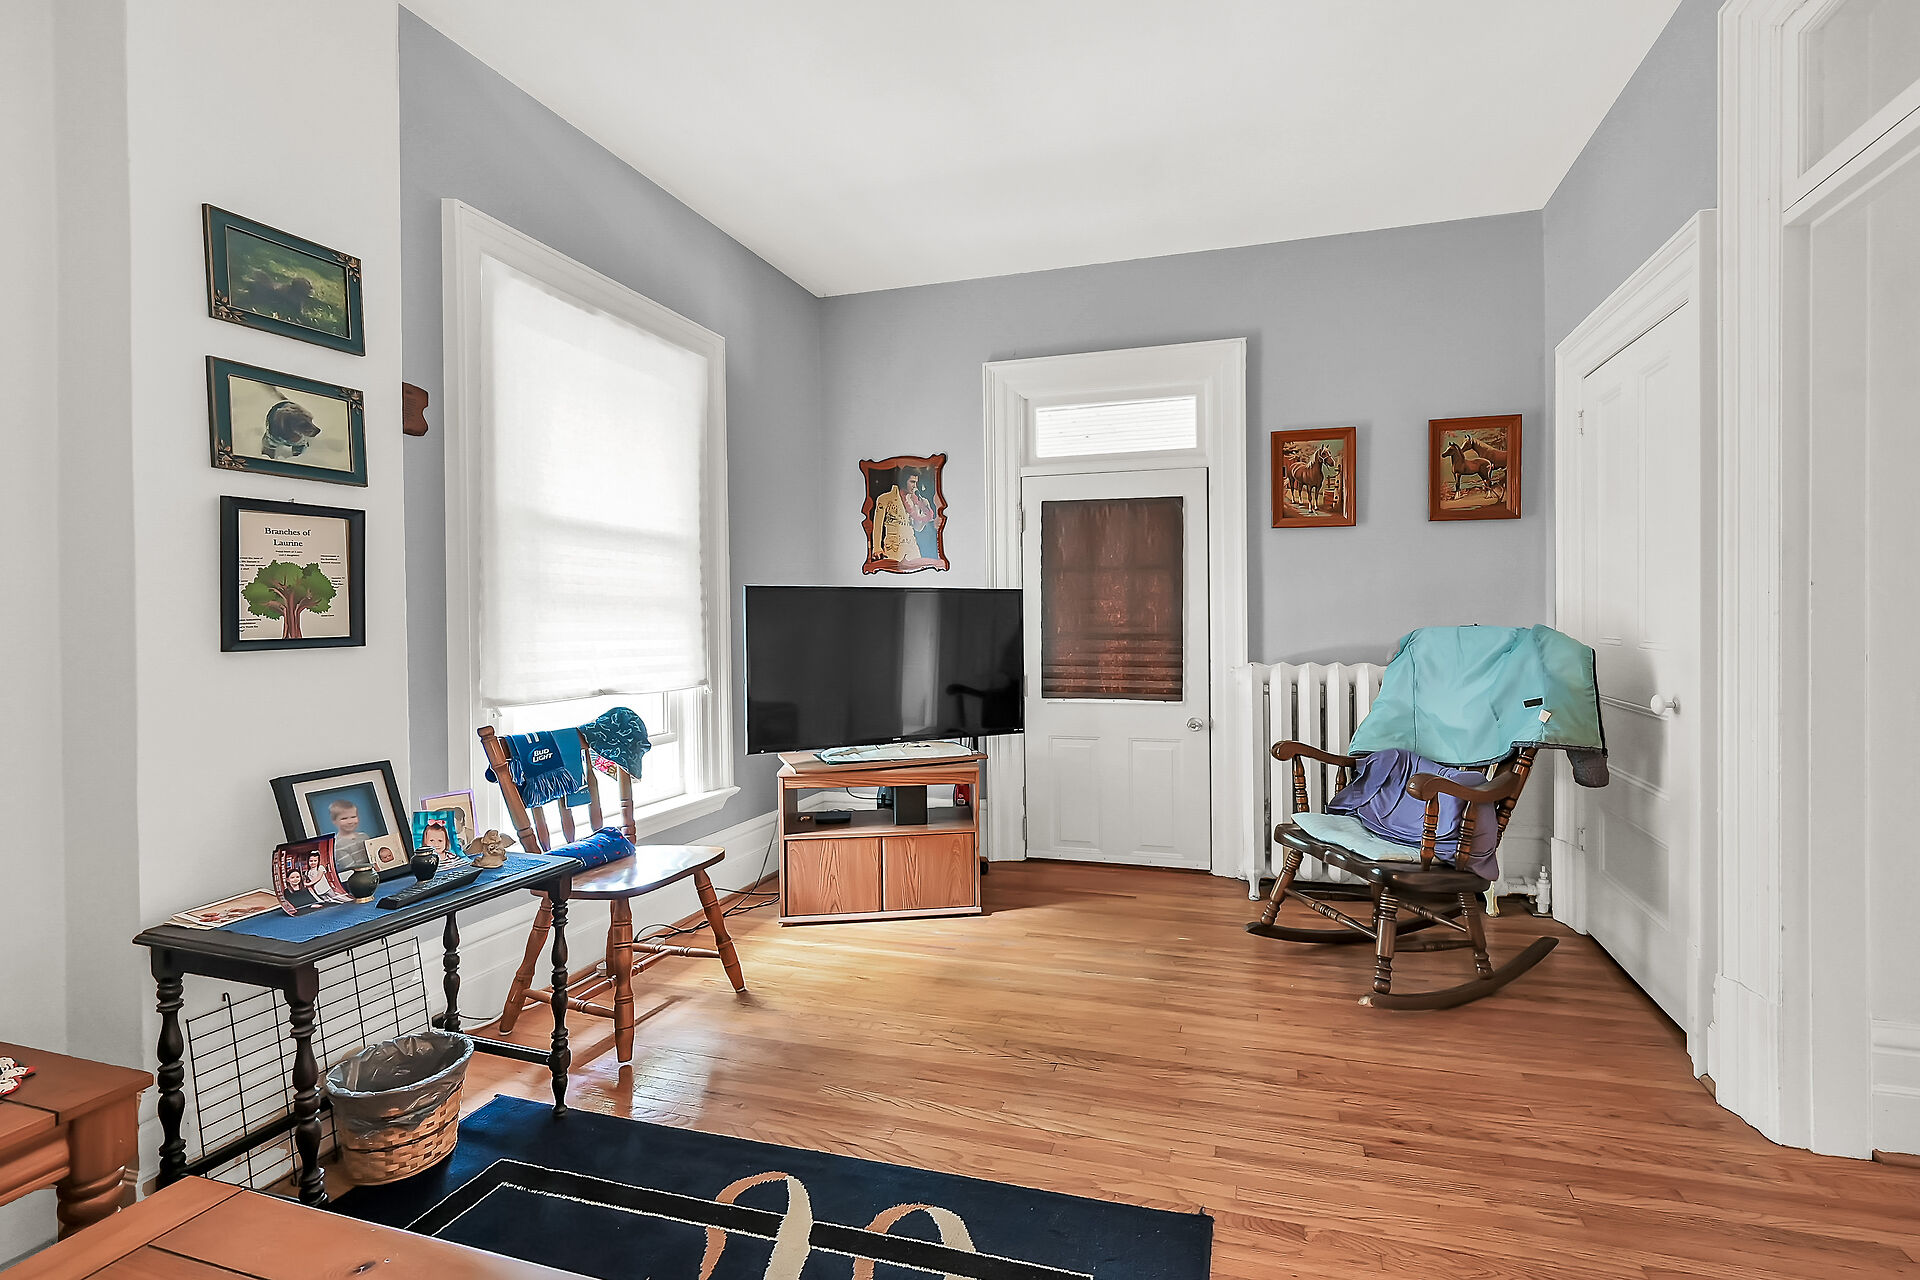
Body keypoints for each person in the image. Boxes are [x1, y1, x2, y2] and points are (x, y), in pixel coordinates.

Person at [327, 798, 374, 871]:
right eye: (344, 818)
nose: (350, 822)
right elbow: (351, 869)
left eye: (353, 817)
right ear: (334, 821)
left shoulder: (364, 836)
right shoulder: (338, 845)